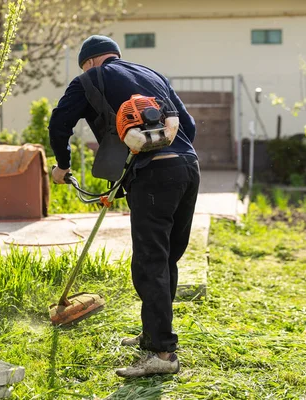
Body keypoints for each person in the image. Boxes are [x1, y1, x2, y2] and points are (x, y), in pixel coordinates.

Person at [48, 35, 200, 378]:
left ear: (88, 62)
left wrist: (62, 165)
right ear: (115, 56)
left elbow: (59, 123)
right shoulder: (152, 75)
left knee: (149, 261)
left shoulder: (88, 79)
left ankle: (162, 355)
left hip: (153, 176)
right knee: (166, 258)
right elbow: (188, 126)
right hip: (188, 168)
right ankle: (155, 337)